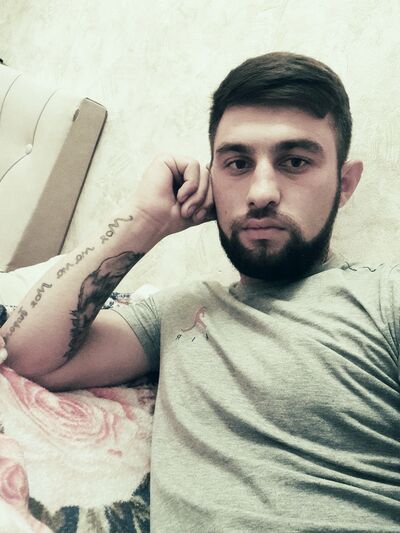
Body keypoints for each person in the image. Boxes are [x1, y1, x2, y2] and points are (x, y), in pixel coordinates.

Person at [1, 52, 399, 532]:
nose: (261, 192)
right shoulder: (182, 310)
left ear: (345, 184)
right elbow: (28, 356)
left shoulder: (385, 298)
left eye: (295, 162)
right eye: (237, 163)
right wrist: (145, 220)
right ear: (211, 181)